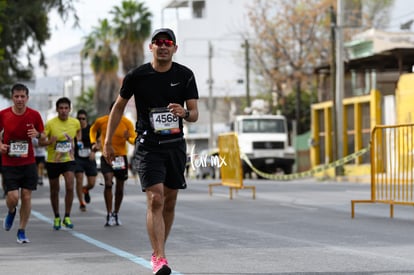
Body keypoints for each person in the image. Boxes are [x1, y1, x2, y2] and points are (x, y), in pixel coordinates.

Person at [102, 28, 199, 275]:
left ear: (175, 48)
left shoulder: (186, 75)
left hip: (175, 145)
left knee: (170, 200)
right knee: (155, 198)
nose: (163, 46)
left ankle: (159, 249)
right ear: (151, 47)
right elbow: (118, 108)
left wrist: (184, 113)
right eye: (158, 42)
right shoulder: (137, 75)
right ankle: (160, 258)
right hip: (147, 144)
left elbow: (195, 114)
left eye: (168, 43)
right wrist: (107, 142)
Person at [0, 83, 45, 243]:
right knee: (13, 197)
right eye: (16, 96)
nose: (20, 99)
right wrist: (0, 145)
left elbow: (44, 138)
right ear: (12, 98)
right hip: (9, 162)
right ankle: (11, 211)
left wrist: (38, 135)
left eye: (22, 96)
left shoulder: (34, 115)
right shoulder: (3, 114)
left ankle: (21, 230)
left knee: (26, 196)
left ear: (27, 98)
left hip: (28, 162)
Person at [90, 102, 135, 227]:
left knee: (120, 188)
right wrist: (94, 142)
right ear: (111, 111)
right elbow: (92, 130)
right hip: (107, 157)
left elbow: (133, 139)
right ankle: (109, 213)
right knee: (108, 183)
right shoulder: (102, 121)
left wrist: (128, 138)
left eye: (120, 111)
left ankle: (116, 213)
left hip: (120, 157)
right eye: (115, 111)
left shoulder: (127, 123)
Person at [42, 97, 81, 230]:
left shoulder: (75, 123)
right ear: (57, 109)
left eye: (66, 108)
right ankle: (57, 216)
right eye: (61, 108)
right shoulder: (50, 124)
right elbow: (41, 142)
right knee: (55, 190)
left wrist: (77, 145)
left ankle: (67, 216)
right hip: (53, 160)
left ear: (70, 109)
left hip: (68, 160)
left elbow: (78, 136)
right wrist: (49, 142)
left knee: (70, 186)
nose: (64, 111)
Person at [74, 109, 97, 212]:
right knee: (79, 179)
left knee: (92, 183)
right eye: (79, 118)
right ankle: (81, 203)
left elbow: (99, 142)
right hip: (77, 158)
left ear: (86, 119)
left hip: (89, 157)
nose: (81, 120)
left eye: (83, 118)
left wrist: (94, 151)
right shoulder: (74, 129)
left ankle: (86, 189)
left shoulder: (91, 129)